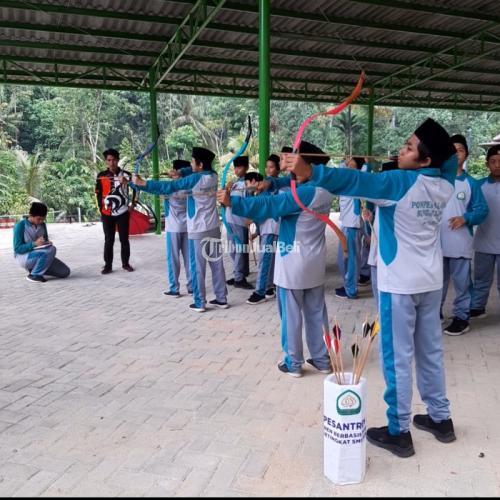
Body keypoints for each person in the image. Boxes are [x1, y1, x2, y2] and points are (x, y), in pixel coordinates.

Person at [282, 118, 458, 457]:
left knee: (396, 357)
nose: (400, 150)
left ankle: (399, 430)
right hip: (430, 282)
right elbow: (448, 159)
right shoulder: (444, 181)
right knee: (430, 352)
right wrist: (433, 138)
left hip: (400, 285)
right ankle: (441, 418)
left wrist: (312, 171)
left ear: (425, 160)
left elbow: (354, 179)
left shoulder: (397, 182)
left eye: (408, 148)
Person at [218, 141, 333, 378]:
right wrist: (272, 181)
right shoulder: (324, 189)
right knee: (316, 312)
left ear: (306, 164)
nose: (289, 167)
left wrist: (234, 202)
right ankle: (322, 359)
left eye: (293, 163)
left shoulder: (303, 193)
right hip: (314, 263)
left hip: (293, 264)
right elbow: (286, 186)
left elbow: (272, 204)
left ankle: (293, 362)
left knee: (290, 314)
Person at [133, 146, 228, 313]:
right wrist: (180, 172)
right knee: (216, 264)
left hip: (198, 230)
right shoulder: (213, 175)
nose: (190, 164)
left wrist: (142, 184)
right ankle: (221, 298)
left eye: (192, 161)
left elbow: (169, 187)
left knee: (197, 267)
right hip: (213, 227)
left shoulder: (194, 180)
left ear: (198, 164)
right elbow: (188, 175)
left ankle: (200, 302)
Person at [440, 135, 488, 335]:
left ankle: (461, 317)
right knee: (436, 283)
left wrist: (466, 218)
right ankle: (434, 314)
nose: (455, 153)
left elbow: (482, 210)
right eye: (451, 149)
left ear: (466, 154)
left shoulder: (471, 184)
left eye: (459, 149)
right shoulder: (436, 180)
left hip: (460, 244)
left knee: (462, 284)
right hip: (435, 244)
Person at [470, 145, 500, 318]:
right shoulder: (478, 186)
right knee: (481, 279)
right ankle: (477, 306)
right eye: (493, 161)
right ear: (487, 164)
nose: (497, 165)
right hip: (484, 242)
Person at [245, 161, 280, 304]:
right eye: (266, 167)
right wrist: (256, 232)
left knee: (264, 261)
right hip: (267, 229)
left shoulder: (270, 189)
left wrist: (251, 219)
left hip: (272, 228)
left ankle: (260, 292)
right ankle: (269, 288)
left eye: (272, 167)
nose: (268, 169)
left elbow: (261, 211)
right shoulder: (262, 191)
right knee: (269, 261)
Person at [95, 148, 134, 274]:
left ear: (117, 160)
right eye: (109, 160)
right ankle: (108, 265)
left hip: (123, 211)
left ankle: (125, 263)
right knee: (109, 239)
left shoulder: (126, 174)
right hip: (107, 213)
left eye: (114, 160)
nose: (111, 163)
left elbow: (135, 189)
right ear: (106, 161)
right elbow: (98, 194)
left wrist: (132, 203)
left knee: (124, 238)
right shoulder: (101, 176)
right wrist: (101, 210)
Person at [13, 202, 70, 282]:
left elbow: (44, 240)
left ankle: (36, 268)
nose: (41, 221)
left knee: (65, 272)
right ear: (30, 215)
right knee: (52, 249)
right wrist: (34, 244)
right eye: (39, 219)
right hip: (25, 257)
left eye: (43, 219)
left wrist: (47, 242)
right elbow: (17, 249)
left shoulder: (42, 225)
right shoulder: (20, 226)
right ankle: (34, 275)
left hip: (41, 255)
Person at [163, 159, 193, 298]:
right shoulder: (190, 187)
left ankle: (174, 288)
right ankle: (192, 286)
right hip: (188, 227)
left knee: (173, 259)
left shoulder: (170, 187)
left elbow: (155, 189)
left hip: (173, 228)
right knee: (189, 258)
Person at [335, 156, 364, 299]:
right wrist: (345, 162)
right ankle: (348, 284)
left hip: (352, 225)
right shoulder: (347, 183)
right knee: (343, 259)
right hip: (346, 225)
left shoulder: (357, 181)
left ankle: (351, 289)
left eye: (352, 165)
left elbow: (343, 171)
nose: (348, 167)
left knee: (352, 259)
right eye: (348, 165)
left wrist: (344, 163)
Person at [225, 156, 253, 290]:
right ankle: (239, 273)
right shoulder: (234, 184)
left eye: (240, 167)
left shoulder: (248, 183)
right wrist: (227, 189)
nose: (237, 170)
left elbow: (249, 203)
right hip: (230, 219)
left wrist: (250, 217)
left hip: (240, 221)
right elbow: (224, 201)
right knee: (233, 249)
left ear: (246, 168)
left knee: (240, 249)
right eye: (235, 167)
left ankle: (239, 277)